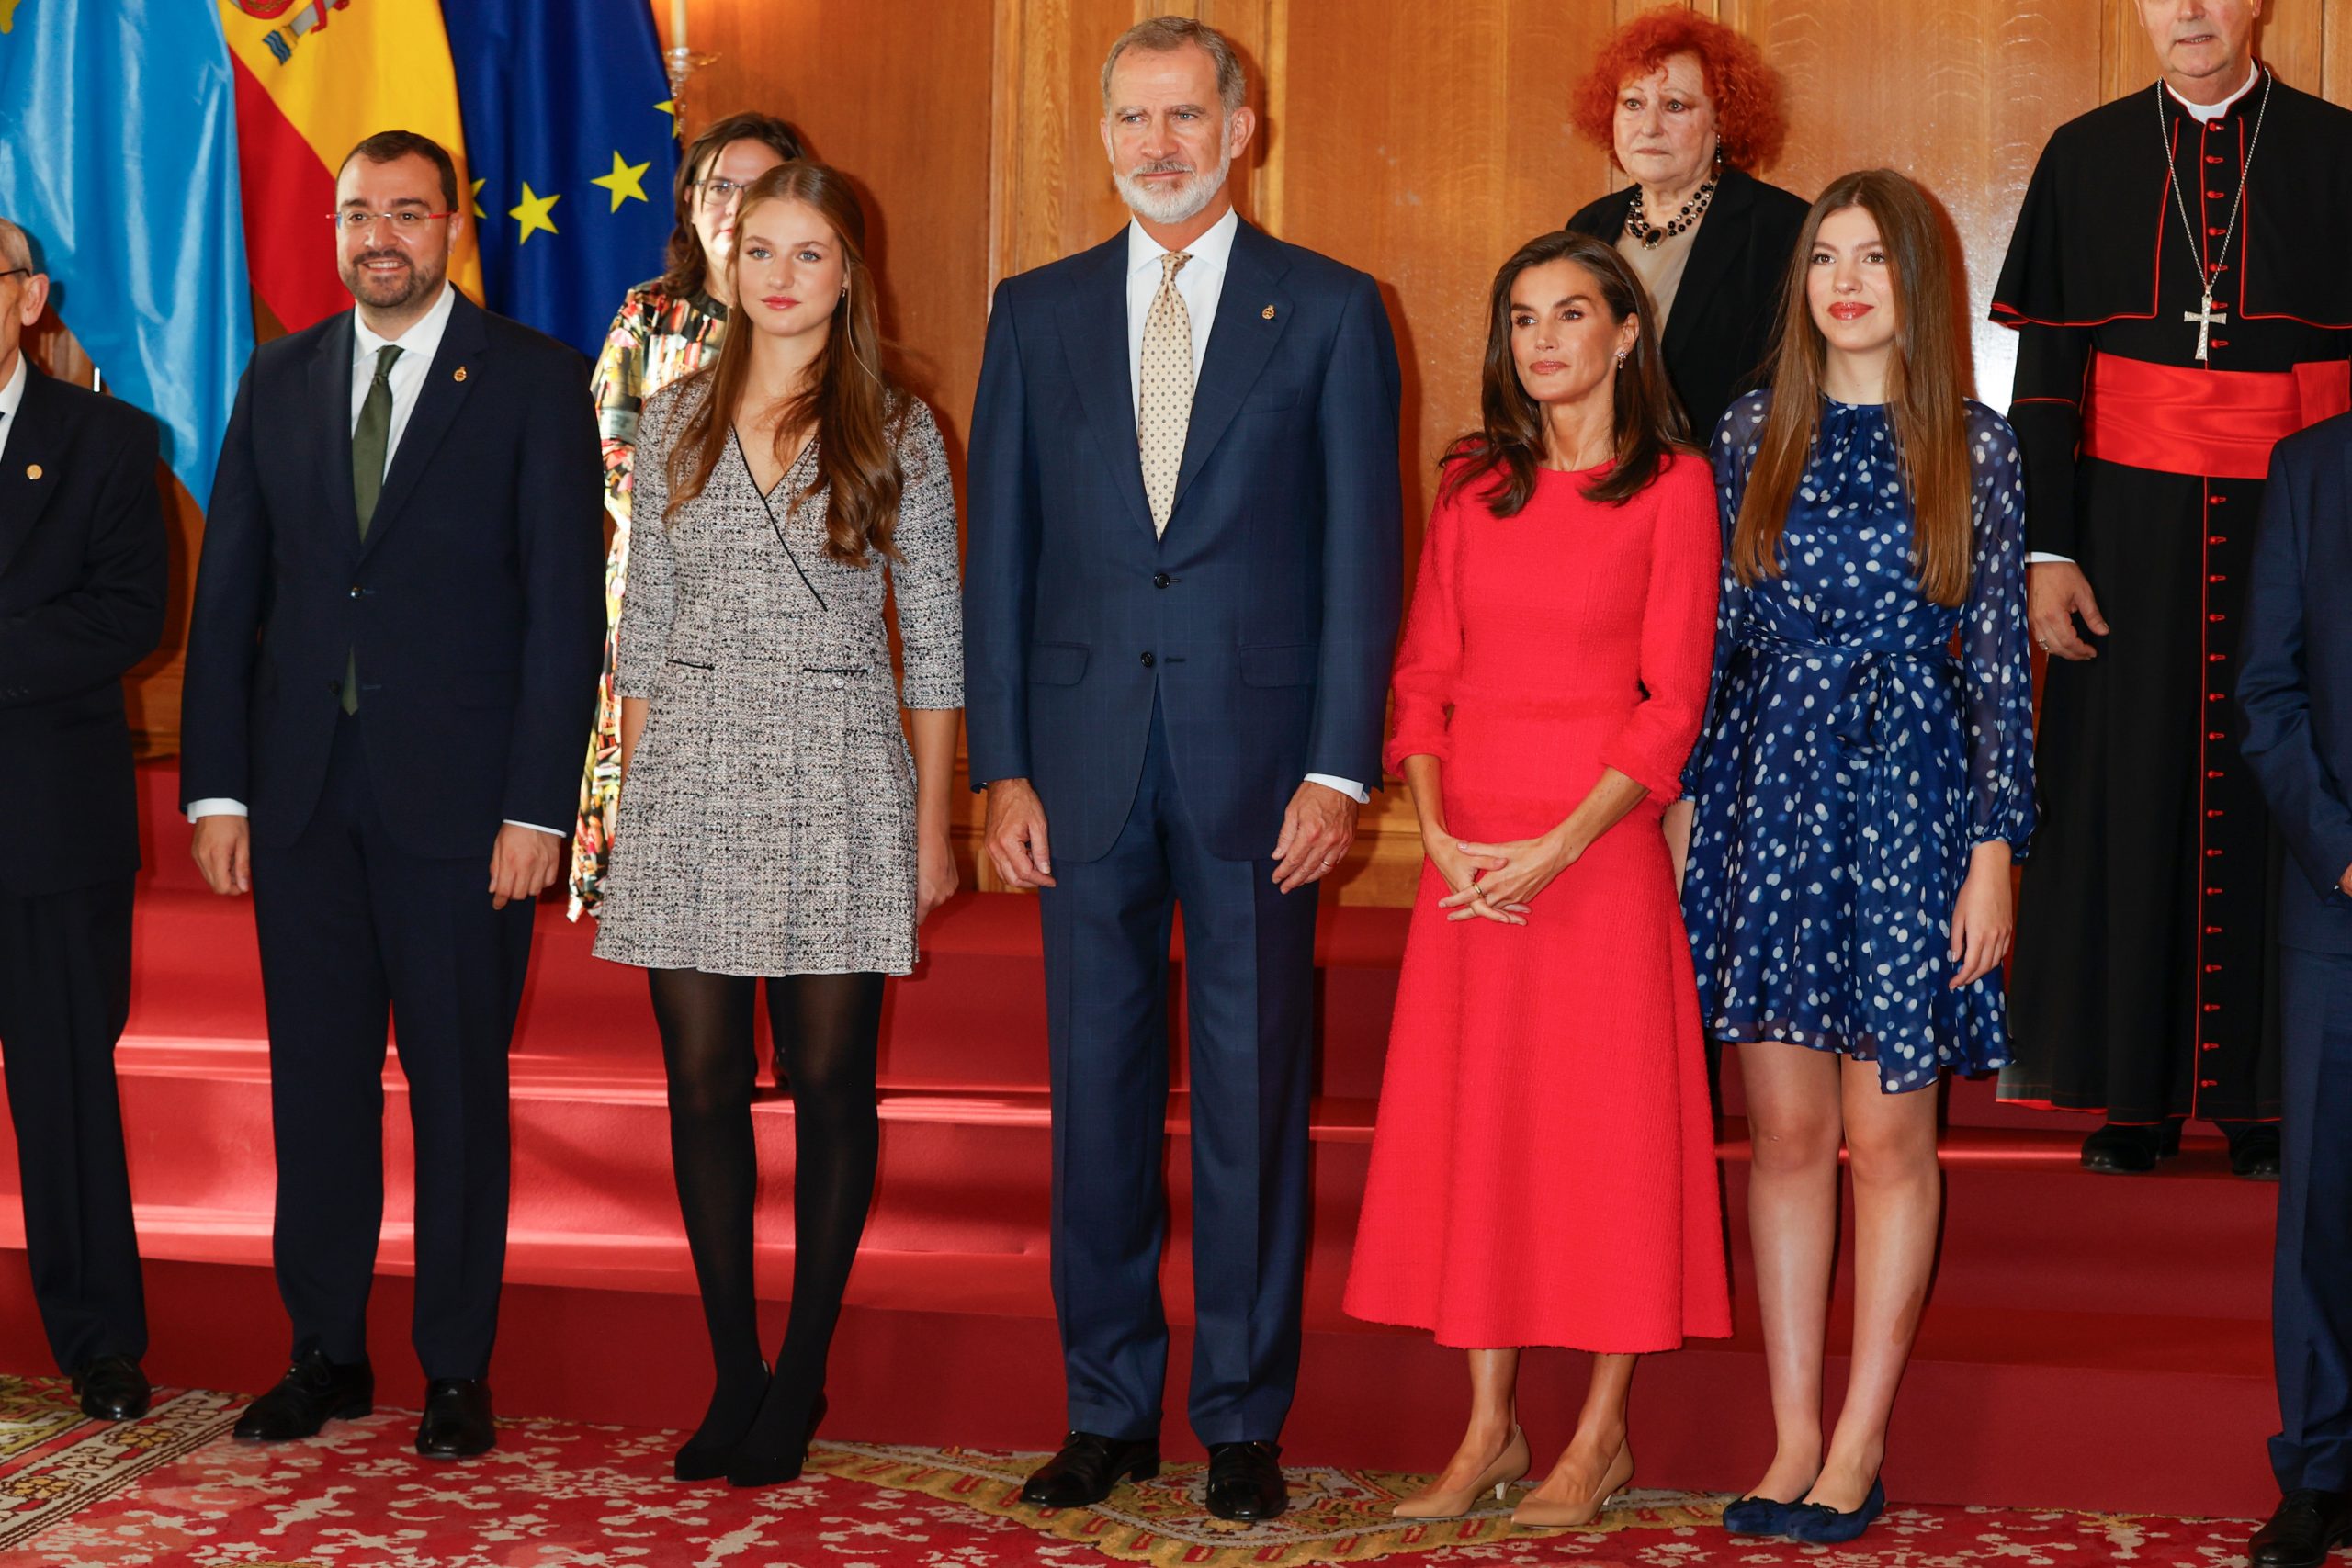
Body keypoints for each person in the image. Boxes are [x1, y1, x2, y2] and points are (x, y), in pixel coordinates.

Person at [963, 16, 1402, 1525]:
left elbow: (1363, 565)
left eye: (1185, 115)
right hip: (1077, 775)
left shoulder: (1335, 312)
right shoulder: (1033, 314)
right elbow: (997, 563)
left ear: (1242, 124)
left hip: (1261, 774)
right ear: (1104, 137)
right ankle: (1105, 1409)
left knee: (1252, 1100)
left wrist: (1341, 769)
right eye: (1134, 119)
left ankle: (1241, 1417)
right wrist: (1000, 768)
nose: (1159, 143)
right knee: (1094, 1099)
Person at [179, 130, 605, 1459]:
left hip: (465, 811)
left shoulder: (534, 381)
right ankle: (326, 1350)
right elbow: (232, 594)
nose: (381, 237)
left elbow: (563, 616)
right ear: (336, 225)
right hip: (301, 799)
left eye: (408, 215)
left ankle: (457, 1366)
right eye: (359, 212)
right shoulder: (280, 374)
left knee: (458, 1088)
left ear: (455, 226)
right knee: (315, 1087)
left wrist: (540, 807)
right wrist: (216, 789)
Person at [1674, 169, 2036, 1545]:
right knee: (1784, 1134)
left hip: (1913, 805)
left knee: (1889, 1138)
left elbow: (2001, 666)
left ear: (1916, 284)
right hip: (1770, 793)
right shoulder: (1753, 428)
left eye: (1873, 258)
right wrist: (1694, 810)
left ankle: (1862, 1438)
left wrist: (1995, 852)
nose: (1845, 280)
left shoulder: (1976, 446)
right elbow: (1713, 644)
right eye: (1826, 256)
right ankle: (1790, 1435)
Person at [1344, 229, 1727, 1528]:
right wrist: (1442, 834)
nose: (1545, 339)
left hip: (1596, 855)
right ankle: (1488, 1426)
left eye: (1573, 313)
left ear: (1628, 333)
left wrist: (1560, 846)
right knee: (1482, 1139)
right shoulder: (1471, 483)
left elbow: (1675, 698)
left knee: (1607, 1143)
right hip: (1469, 866)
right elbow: (1421, 675)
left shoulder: (1674, 485)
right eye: (1522, 317)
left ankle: (1599, 1437)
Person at [592, 161, 962, 1489]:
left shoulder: (897, 423)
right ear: (729, 264)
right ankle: (734, 1365)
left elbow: (941, 645)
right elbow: (640, 630)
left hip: (839, 769)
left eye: (810, 252)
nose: (783, 275)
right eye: (761, 250)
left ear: (850, 273)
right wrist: (635, 804)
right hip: (689, 767)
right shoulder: (678, 410)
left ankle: (801, 1368)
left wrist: (933, 826)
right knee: (699, 1085)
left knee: (826, 1083)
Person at [1992, 0, 2352, 1179]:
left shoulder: (2337, 152)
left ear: (2255, 5)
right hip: (2120, 540)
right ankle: (2131, 1094)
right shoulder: (2083, 153)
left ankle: (2261, 1097)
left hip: (2293, 530)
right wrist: (2044, 551)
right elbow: (2046, 382)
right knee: (2121, 792)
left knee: (2277, 788)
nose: (2188, 10)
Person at [0, 218, 167, 1423]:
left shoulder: (110, 441)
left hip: (47, 826)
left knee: (64, 1088)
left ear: (30, 297)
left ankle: (100, 1341)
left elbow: (127, 619)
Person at [570, 111, 808, 920]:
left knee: (790, 869)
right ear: (691, 204)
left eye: (760, 187)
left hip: (799, 630)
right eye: (719, 187)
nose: (737, 207)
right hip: (668, 616)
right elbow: (614, 462)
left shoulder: (822, 318)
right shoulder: (649, 316)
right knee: (683, 879)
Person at [2239, 412, 2352, 1568]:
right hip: (2340, 902)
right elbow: (2266, 691)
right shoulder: (2312, 469)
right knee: (2321, 1204)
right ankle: (2319, 1474)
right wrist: (2340, 849)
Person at [1564, 8, 1808, 445]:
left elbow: (1795, 388)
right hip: (1602, 478)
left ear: (1722, 121)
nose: (1650, 126)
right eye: (1633, 104)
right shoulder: (1587, 226)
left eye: (1675, 105)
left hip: (1721, 486)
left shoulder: (1780, 227)